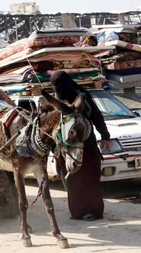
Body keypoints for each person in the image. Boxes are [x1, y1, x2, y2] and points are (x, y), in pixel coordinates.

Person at [50, 71, 111, 221]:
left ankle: (94, 211)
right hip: (69, 149)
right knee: (75, 180)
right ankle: (80, 212)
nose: (59, 88)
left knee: (90, 177)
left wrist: (105, 136)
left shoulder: (83, 96)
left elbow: (96, 115)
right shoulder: (57, 102)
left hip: (88, 144)